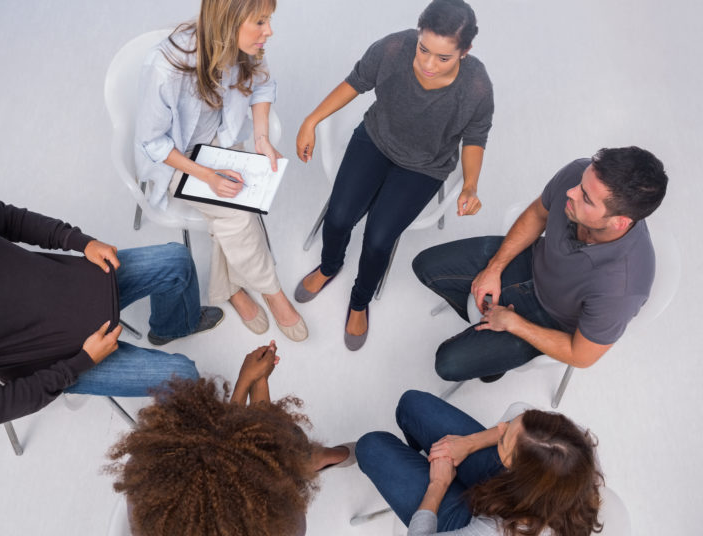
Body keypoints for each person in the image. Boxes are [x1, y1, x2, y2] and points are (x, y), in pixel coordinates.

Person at [294, 0, 493, 350]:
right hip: (375, 139)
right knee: (338, 218)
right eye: (424, 49)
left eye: (443, 58)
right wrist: (312, 120)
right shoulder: (393, 48)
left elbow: (475, 138)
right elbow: (355, 82)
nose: (428, 64)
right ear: (418, 35)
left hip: (425, 166)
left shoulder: (476, 86)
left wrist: (471, 185)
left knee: (379, 240)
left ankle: (360, 299)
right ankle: (328, 266)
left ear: (465, 52)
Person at [412, 146, 668, 382]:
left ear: (619, 222)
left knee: (447, 364)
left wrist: (515, 324)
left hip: (551, 320)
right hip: (533, 260)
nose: (572, 191)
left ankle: (491, 356)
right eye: (581, 183)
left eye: (586, 198)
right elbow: (537, 213)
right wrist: (495, 268)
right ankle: (484, 330)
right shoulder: (579, 173)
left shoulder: (623, 287)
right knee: (425, 266)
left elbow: (581, 355)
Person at [0, 199, 222, 425]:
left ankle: (172, 327)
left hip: (82, 285)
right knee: (184, 376)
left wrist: (80, 241)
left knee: (177, 260)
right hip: (64, 358)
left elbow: (9, 219)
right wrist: (80, 363)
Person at [134, 0, 307, 341]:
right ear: (229, 21)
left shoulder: (247, 46)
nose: (268, 31)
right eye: (260, 22)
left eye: (268, 20)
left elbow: (262, 85)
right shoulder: (166, 68)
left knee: (239, 203)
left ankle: (228, 289)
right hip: (177, 159)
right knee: (239, 216)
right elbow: (153, 143)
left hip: (219, 141)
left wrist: (260, 138)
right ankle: (272, 290)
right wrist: (206, 176)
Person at [107, 342, 356, 536]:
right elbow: (265, 462)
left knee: (283, 450)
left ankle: (319, 456)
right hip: (274, 469)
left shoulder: (148, 488)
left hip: (265, 464)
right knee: (292, 446)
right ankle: (325, 457)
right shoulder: (285, 525)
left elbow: (229, 446)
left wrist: (247, 382)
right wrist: (253, 384)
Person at [357, 390, 603, 535]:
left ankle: (417, 470)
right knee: (412, 403)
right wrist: (470, 443)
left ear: (517, 471)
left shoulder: (499, 530)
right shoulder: (570, 444)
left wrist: (438, 485)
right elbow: (520, 410)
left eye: (504, 438)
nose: (500, 426)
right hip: (509, 488)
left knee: (370, 448)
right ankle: (413, 457)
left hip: (487, 517)